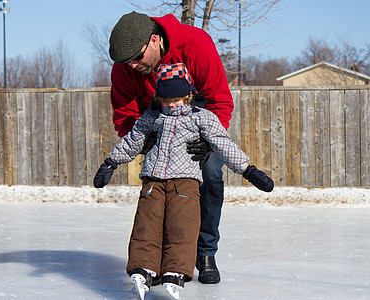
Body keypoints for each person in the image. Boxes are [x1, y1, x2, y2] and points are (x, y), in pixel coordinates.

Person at [94, 63, 273, 300]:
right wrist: (111, 162)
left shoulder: (203, 118)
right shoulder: (152, 116)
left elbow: (223, 145)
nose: (171, 105)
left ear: (188, 94)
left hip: (185, 183)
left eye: (176, 99)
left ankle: (176, 271)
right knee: (147, 224)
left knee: (182, 227)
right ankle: (144, 267)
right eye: (166, 100)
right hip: (153, 180)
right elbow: (132, 141)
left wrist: (248, 170)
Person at [108, 11, 236, 284]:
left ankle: (205, 254)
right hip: (156, 130)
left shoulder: (195, 45)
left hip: (198, 127)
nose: (132, 66)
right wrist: (144, 141)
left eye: (137, 58)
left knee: (211, 175)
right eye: (127, 62)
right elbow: (123, 112)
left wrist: (207, 142)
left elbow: (220, 101)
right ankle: (156, 261)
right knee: (157, 192)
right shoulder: (125, 67)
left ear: (154, 40)